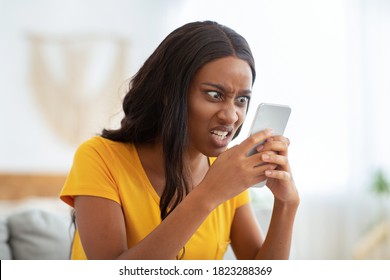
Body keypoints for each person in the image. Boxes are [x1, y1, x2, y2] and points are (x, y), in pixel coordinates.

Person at [60, 20, 299, 260]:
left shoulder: (226, 170)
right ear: (168, 94)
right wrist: (210, 193)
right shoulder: (99, 157)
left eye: (241, 100)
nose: (231, 115)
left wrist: (286, 204)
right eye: (214, 95)